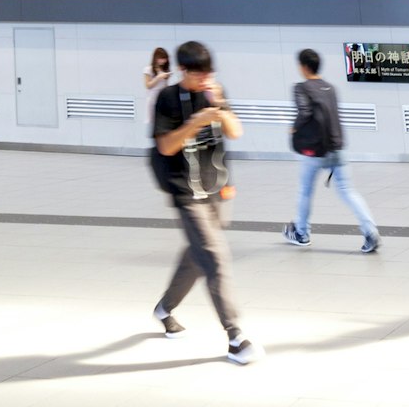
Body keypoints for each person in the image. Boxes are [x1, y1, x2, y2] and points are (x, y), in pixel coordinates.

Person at [151, 40, 260, 366]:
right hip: (185, 192)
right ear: (183, 70)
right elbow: (166, 147)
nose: (204, 79)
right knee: (215, 257)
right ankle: (235, 337)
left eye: (208, 73)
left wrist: (221, 105)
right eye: (198, 74)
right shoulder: (168, 98)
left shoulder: (216, 89)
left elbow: (235, 131)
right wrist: (195, 123)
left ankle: (165, 308)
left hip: (216, 189)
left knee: (197, 257)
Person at [282, 48, 380, 253]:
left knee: (306, 190)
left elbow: (305, 112)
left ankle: (301, 233)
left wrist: (294, 127)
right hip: (337, 147)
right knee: (347, 190)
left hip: (315, 150)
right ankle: (370, 231)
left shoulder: (302, 88)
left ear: (304, 67)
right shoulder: (330, 88)